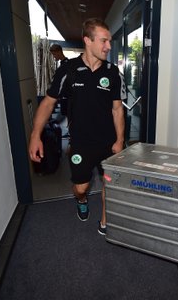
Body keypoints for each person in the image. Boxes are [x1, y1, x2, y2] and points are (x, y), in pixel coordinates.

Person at [29, 18, 126, 236]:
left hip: (108, 142)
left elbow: (117, 109)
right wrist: (35, 135)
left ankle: (104, 221)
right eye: (104, 41)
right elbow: (48, 102)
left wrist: (120, 141)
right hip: (80, 143)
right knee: (81, 188)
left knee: (109, 185)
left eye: (109, 41)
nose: (108, 46)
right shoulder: (69, 70)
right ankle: (81, 201)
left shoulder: (112, 73)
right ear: (87, 41)